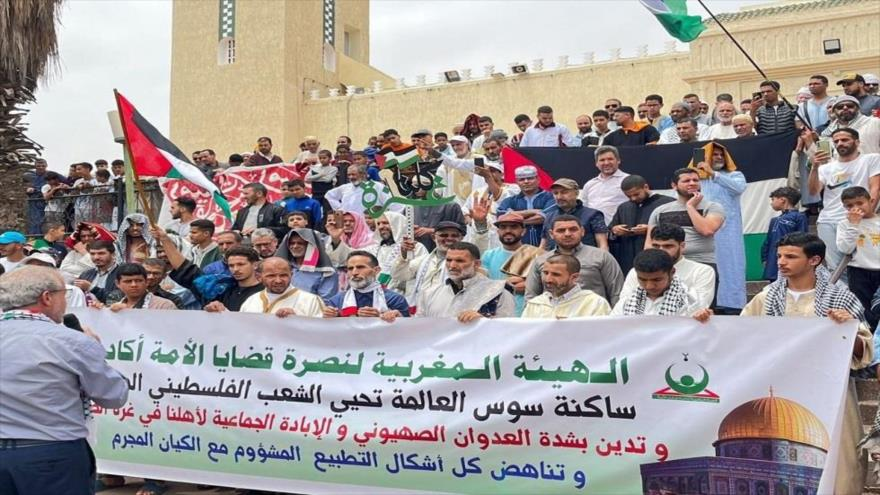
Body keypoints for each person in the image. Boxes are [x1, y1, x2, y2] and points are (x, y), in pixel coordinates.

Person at [0, 266, 129, 495]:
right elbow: (113, 396)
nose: (66, 302)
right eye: (63, 294)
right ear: (47, 298)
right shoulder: (72, 341)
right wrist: (95, 351)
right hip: (51, 455)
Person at [741, 232, 872, 370]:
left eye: (790, 257)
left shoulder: (841, 298)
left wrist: (847, 328)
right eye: (779, 256)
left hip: (825, 375)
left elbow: (864, 354)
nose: (781, 262)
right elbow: (742, 336)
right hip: (773, 375)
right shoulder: (765, 298)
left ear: (814, 260)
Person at [809, 128, 880, 272]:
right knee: (835, 268)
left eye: (845, 140)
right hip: (829, 220)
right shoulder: (825, 168)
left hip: (859, 218)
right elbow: (813, 191)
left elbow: (875, 188)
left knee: (864, 264)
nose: (840, 143)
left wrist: (867, 215)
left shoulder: (871, 159)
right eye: (836, 141)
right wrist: (815, 167)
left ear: (857, 142)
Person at [152, 226, 264, 312]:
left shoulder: (265, 291)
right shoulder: (221, 288)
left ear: (255, 265)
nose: (235, 269)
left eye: (241, 264)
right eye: (231, 265)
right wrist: (165, 239)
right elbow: (187, 271)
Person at [691, 142, 747, 312]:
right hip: (701, 232)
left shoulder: (735, 175)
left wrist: (713, 174)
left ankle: (732, 305)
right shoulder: (696, 179)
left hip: (728, 232)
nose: (719, 157)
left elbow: (739, 188)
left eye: (721, 155)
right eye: (714, 154)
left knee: (731, 267)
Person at [526, 215, 624, 305]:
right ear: (551, 234)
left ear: (582, 231)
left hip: (593, 314)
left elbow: (617, 293)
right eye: (561, 230)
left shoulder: (601, 256)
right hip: (551, 315)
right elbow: (531, 296)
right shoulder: (541, 260)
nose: (567, 234)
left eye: (573, 229)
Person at [647, 168, 726, 268]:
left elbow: (707, 230)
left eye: (695, 180)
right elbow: (649, 243)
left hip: (702, 263)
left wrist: (690, 207)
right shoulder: (660, 210)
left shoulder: (712, 207)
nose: (692, 183)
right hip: (666, 264)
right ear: (674, 185)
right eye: (686, 181)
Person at [415, 242, 515, 320]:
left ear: (477, 264)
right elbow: (421, 329)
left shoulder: (498, 292)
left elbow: (507, 330)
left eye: (460, 261)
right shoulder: (429, 293)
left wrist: (483, 321)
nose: (452, 266)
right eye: (449, 260)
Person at [612, 249, 710, 320]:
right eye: (642, 279)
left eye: (657, 280)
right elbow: (614, 328)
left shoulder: (690, 301)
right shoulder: (627, 302)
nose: (649, 286)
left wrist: (702, 317)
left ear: (672, 273)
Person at [476, 212, 541, 317]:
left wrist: (530, 286)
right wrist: (506, 285)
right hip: (496, 313)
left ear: (523, 231)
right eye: (503, 227)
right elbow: (480, 285)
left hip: (527, 313)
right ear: (498, 231)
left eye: (513, 227)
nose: (508, 231)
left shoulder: (537, 255)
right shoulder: (488, 256)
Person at [609, 175, 674, 275]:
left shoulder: (667, 203)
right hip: (627, 258)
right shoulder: (624, 207)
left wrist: (650, 229)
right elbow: (610, 229)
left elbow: (675, 230)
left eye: (636, 194)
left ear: (646, 187)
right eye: (629, 196)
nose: (633, 198)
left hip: (657, 258)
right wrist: (615, 230)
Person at [392, 221, 466, 306]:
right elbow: (398, 275)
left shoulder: (466, 263)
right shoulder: (422, 261)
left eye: (454, 236)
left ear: (461, 238)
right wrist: (404, 255)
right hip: (421, 309)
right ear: (433, 237)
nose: (449, 239)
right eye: (443, 235)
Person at [836, 186, 880, 328]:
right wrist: (854, 225)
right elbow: (845, 248)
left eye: (860, 203)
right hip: (858, 270)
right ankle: (868, 334)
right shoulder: (844, 224)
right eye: (850, 206)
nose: (856, 208)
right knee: (862, 307)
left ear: (871, 201)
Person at [324, 251, 410, 321]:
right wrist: (332, 318)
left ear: (376, 270)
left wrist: (383, 318)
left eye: (360, 267)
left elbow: (406, 332)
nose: (354, 273)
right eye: (350, 268)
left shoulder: (395, 299)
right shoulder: (336, 301)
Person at [521, 254, 611, 318]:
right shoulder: (535, 304)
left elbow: (602, 336)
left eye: (556, 274)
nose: (548, 279)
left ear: (574, 277)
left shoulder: (594, 303)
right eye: (545, 273)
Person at [239, 257, 325, 317]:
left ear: (291, 275)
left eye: (283, 275)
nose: (278, 281)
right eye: (271, 276)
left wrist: (296, 319)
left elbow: (319, 332)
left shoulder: (311, 300)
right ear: (259, 277)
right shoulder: (251, 301)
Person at [541, 178, 608, 250]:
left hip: (585, 256)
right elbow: (542, 246)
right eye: (555, 193)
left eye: (564, 192)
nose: (559, 197)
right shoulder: (549, 216)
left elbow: (603, 246)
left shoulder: (594, 215)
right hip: (554, 256)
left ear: (576, 193)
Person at [497, 166, 555, 247]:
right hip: (518, 249)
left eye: (530, 178)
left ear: (538, 179)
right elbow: (501, 217)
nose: (526, 181)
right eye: (521, 179)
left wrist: (514, 219)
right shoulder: (510, 201)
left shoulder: (551, 197)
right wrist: (532, 211)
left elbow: (545, 218)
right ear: (516, 182)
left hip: (547, 248)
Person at [274, 228, 339, 301]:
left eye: (300, 243)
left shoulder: (326, 271)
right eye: (292, 243)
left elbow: (326, 300)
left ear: (311, 245)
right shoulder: (283, 267)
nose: (295, 246)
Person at [372, 211, 427, 293]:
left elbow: (421, 274)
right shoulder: (375, 249)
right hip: (377, 295)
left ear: (397, 224)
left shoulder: (415, 247)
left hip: (406, 295)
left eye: (385, 223)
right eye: (378, 224)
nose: (381, 227)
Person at [762, 186, 808, 281]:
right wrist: (764, 258)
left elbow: (802, 239)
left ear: (782, 200)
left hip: (790, 259)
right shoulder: (774, 220)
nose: (771, 203)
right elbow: (768, 241)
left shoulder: (799, 217)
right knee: (774, 284)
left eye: (773, 199)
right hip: (773, 260)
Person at [325, 164, 401, 216]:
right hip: (351, 223)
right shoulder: (346, 187)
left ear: (363, 174)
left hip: (370, 222)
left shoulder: (377, 186)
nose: (351, 177)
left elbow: (391, 202)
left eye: (353, 174)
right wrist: (340, 209)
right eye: (349, 175)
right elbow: (329, 195)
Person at [580, 145, 630, 224]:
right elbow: (584, 209)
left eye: (610, 159)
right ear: (596, 163)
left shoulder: (628, 180)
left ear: (618, 160)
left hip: (619, 228)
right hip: (593, 229)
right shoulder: (589, 184)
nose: (606, 163)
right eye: (602, 160)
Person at [20, 252, 88, 309]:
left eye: (39, 266)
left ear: (52, 270)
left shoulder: (72, 291)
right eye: (29, 267)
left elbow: (78, 316)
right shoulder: (21, 293)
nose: (33, 270)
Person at [103, 263, 177, 310]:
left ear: (146, 281)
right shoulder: (116, 307)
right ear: (117, 284)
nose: (134, 285)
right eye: (128, 281)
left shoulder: (164, 306)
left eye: (138, 280)